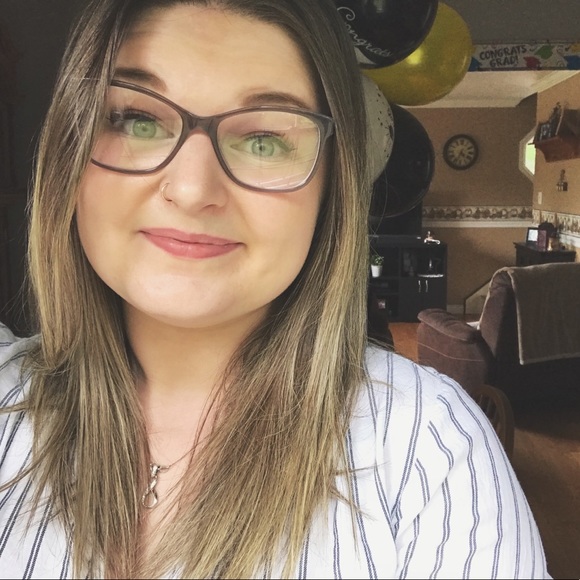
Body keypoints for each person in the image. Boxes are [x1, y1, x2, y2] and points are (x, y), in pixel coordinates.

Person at [0, 0, 549, 578]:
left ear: (331, 188)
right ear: (68, 152)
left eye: (263, 139)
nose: (193, 189)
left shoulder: (429, 449)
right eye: (137, 120)